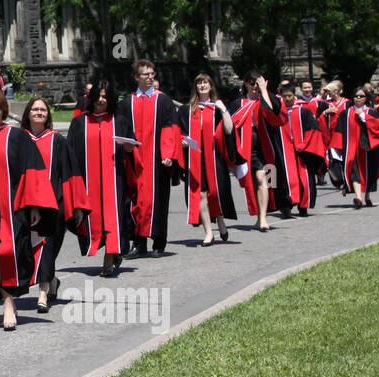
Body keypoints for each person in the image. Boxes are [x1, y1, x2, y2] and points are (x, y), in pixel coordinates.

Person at [0, 88, 57, 330]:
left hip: (12, 205)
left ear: (4, 110)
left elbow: (33, 171)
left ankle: (8, 302)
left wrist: (35, 205)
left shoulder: (17, 136)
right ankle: (5, 300)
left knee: (7, 252)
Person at [20, 97, 89, 311]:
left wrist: (76, 205)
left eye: (43, 110)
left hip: (53, 204)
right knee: (28, 249)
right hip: (25, 204)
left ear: (48, 115)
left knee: (48, 248)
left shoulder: (57, 140)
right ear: (28, 113)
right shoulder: (19, 139)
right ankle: (50, 282)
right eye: (35, 109)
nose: (39, 112)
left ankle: (42, 293)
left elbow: (71, 174)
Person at [66, 78, 134, 277]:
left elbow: (131, 149)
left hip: (114, 179)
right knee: (92, 217)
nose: (101, 100)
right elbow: (70, 152)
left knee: (113, 216)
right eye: (98, 96)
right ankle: (109, 249)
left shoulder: (119, 121)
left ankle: (110, 256)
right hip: (88, 181)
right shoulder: (80, 123)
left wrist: (130, 149)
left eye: (105, 97)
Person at [115, 59, 183, 257]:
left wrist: (169, 154)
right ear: (136, 77)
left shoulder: (163, 101)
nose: (150, 77)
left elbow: (171, 129)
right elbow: (121, 131)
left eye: (152, 73)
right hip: (135, 161)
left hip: (157, 161)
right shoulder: (127, 104)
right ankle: (139, 243)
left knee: (158, 201)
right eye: (146, 74)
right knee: (135, 202)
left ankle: (159, 242)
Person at [179, 74, 237, 246]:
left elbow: (229, 130)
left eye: (205, 82)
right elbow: (180, 132)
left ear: (211, 86)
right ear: (195, 87)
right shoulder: (187, 110)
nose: (202, 85)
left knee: (214, 192)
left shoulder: (217, 108)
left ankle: (220, 221)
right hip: (196, 158)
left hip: (215, 157)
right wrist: (182, 142)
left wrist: (224, 109)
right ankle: (209, 233)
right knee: (201, 194)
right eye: (199, 83)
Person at [231, 72, 285, 231]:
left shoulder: (268, 98)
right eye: (252, 83)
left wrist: (264, 91)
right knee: (252, 182)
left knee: (265, 178)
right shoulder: (238, 103)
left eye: (258, 83)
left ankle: (263, 218)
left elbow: (277, 116)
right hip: (246, 148)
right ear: (246, 84)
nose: (255, 87)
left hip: (266, 147)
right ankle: (258, 215)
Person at [273, 81, 325, 216]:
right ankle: (286, 206)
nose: (287, 99)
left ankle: (303, 206)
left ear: (295, 96)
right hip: (284, 151)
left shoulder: (303, 111)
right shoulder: (277, 114)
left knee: (304, 178)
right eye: (284, 96)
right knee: (286, 179)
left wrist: (303, 145)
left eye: (290, 96)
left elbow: (313, 130)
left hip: (302, 151)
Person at [338, 87, 379, 208]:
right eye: (356, 96)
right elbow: (339, 131)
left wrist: (364, 117)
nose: (358, 98)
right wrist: (337, 149)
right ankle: (358, 197)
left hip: (368, 149)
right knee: (354, 172)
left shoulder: (371, 112)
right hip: (351, 149)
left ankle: (367, 196)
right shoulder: (346, 113)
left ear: (366, 98)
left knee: (368, 173)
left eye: (361, 96)